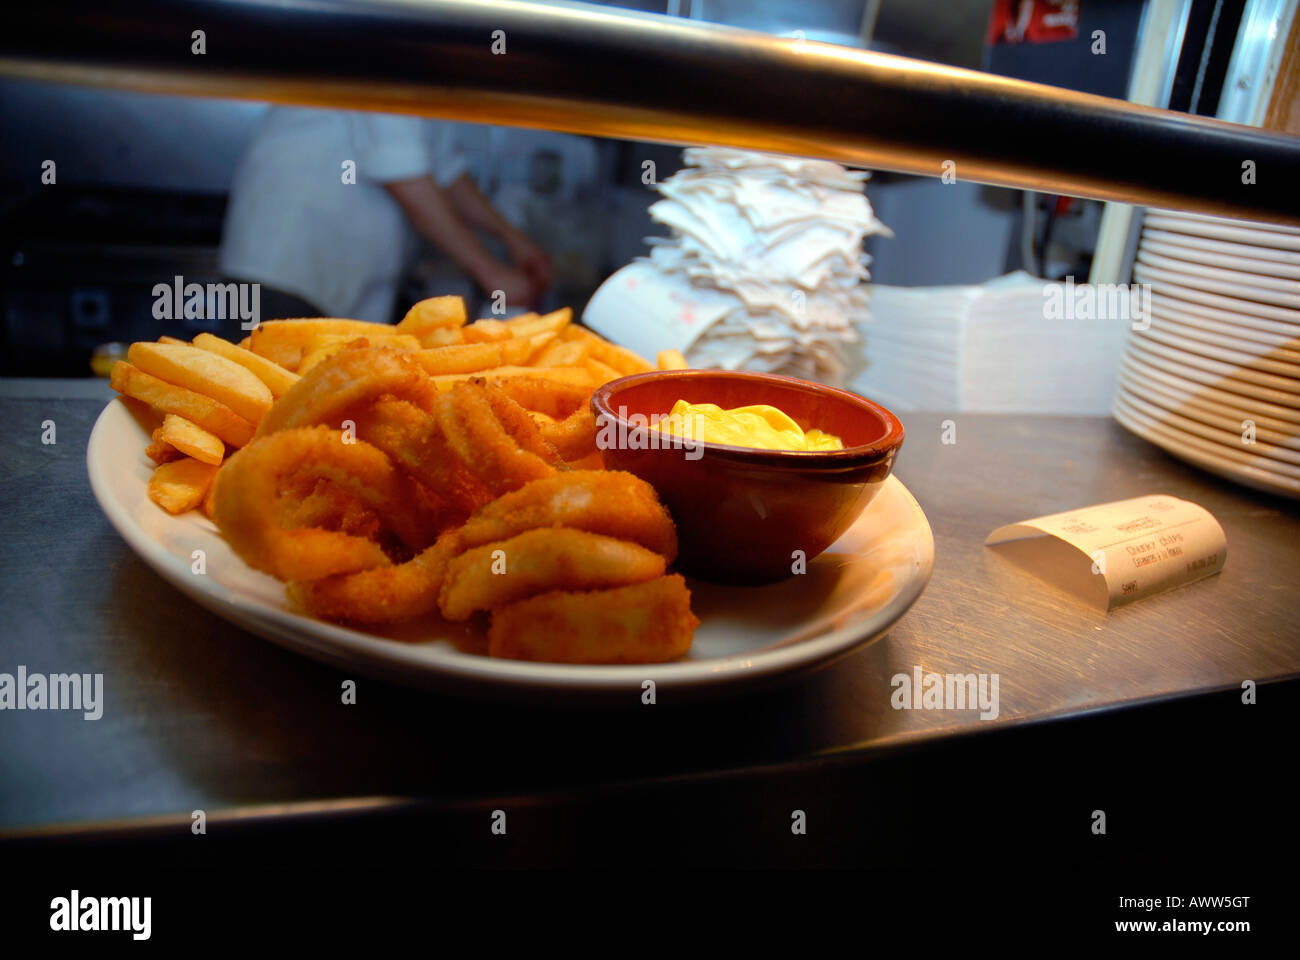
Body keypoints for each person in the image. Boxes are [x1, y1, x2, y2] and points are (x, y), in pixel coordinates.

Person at [220, 107, 552, 324]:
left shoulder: (437, 41)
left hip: (345, 279)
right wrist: (489, 272)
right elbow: (402, 173)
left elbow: (444, 170)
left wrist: (513, 238)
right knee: (266, 417)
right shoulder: (401, 21)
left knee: (334, 416)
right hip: (285, 266)